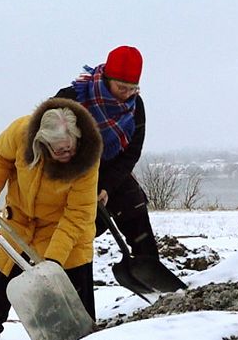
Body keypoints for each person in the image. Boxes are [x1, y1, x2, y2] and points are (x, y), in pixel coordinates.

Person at [0, 98, 103, 340]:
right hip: (22, 222)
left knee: (73, 289)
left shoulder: (86, 160)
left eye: (69, 147)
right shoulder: (21, 132)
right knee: (6, 280)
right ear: (42, 143)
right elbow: (0, 155)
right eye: (58, 150)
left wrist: (53, 260)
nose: (66, 153)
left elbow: (77, 215)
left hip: (65, 229)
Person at [54, 46, 187, 293]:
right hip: (73, 176)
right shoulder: (72, 99)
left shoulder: (135, 107)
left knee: (134, 207)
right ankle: (70, 286)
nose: (126, 94)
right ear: (107, 79)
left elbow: (131, 153)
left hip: (113, 171)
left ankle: (155, 283)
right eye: (121, 88)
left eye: (132, 88)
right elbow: (49, 143)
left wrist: (106, 185)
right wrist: (86, 184)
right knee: (79, 235)